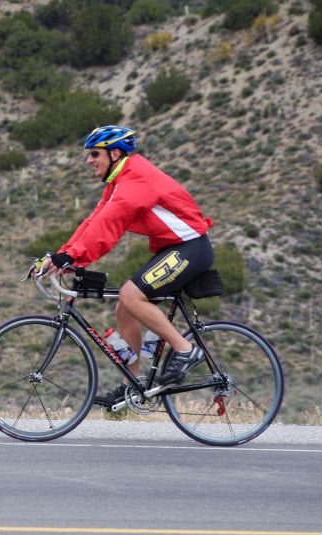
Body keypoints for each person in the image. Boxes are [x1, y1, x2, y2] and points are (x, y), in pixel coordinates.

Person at [42, 125, 215, 407]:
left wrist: (73, 257)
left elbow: (110, 225)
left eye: (94, 154)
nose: (88, 160)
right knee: (124, 308)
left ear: (115, 153)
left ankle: (185, 350)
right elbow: (94, 221)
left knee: (131, 296)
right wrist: (62, 255)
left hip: (190, 247)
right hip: (174, 248)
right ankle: (130, 387)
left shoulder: (136, 179)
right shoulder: (119, 181)